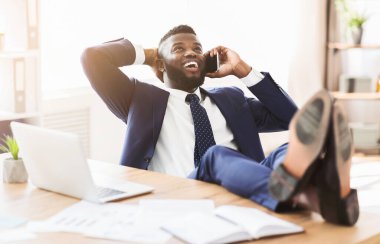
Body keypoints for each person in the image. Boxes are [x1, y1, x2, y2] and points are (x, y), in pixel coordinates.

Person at [81, 25, 359, 225]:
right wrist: (151, 53)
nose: (192, 53)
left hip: (244, 191)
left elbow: (290, 118)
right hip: (180, 198)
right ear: (161, 64)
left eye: (198, 50)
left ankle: (318, 196)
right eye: (179, 49)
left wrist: (242, 70)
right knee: (215, 156)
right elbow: (93, 58)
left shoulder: (231, 99)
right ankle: (322, 195)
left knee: (286, 150)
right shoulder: (139, 99)